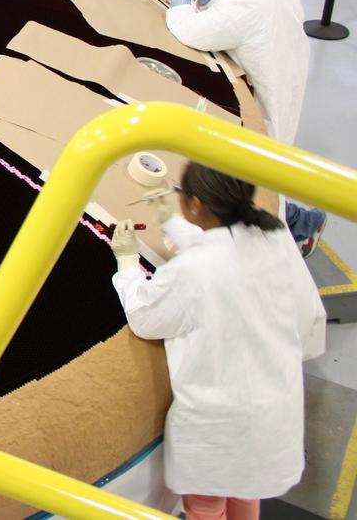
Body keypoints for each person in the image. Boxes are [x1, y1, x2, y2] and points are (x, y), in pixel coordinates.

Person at [110, 163, 325, 520]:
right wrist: (170, 219)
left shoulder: (194, 270)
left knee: (205, 508)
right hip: (272, 416)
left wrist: (127, 263)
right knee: (245, 493)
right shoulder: (270, 236)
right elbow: (223, 248)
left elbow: (146, 318)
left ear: (195, 203)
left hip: (219, 427)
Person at [165, 0, 326, 254]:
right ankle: (301, 220)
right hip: (286, 92)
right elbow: (244, 13)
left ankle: (295, 232)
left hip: (265, 108)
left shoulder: (245, 5)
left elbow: (193, 32)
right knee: (269, 171)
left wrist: (179, 7)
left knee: (256, 182)